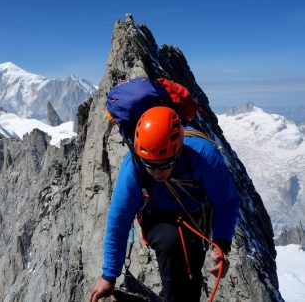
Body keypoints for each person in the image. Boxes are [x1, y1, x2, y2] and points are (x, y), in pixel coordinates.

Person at [88, 106, 241, 302]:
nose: (157, 173)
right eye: (150, 166)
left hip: (195, 218)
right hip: (156, 214)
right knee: (171, 244)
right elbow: (119, 218)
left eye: (164, 165)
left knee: (191, 273)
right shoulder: (134, 168)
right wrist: (109, 275)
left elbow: (227, 202)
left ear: (178, 152)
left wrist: (221, 244)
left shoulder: (204, 158)